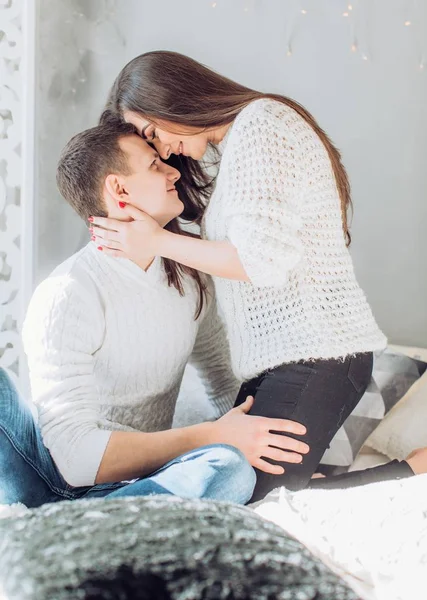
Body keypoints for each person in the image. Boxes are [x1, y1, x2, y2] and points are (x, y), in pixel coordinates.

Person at [90, 51, 423, 501]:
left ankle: (412, 470)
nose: (164, 149)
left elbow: (260, 263)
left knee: (253, 497)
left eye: (154, 133)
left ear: (173, 98)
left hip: (319, 354)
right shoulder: (238, 143)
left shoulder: (263, 124)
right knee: (238, 487)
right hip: (284, 362)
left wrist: (156, 241)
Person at [0, 115, 316, 509]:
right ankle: (67, 519)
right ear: (118, 190)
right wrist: (211, 434)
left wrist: (267, 461)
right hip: (54, 474)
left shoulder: (189, 278)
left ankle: (75, 521)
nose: (172, 171)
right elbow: (74, 460)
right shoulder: (68, 293)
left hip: (139, 481)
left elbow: (222, 383)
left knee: (230, 470)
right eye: (154, 165)